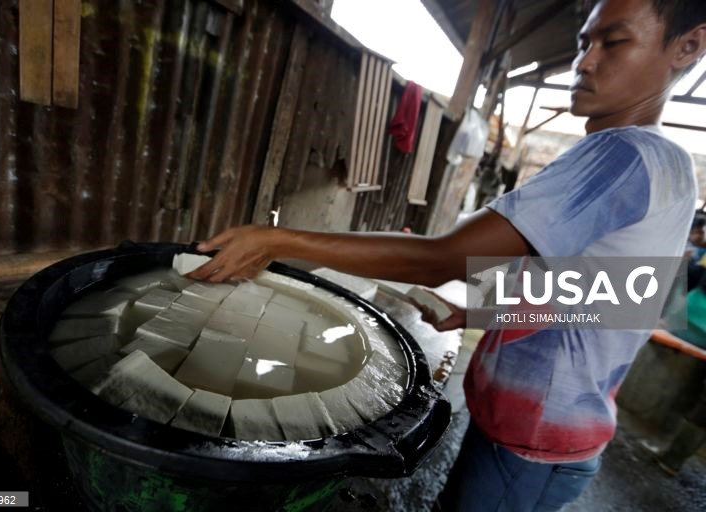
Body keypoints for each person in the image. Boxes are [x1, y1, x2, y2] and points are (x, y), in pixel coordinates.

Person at [188, 0, 706, 510]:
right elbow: (629, 293)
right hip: (563, 432)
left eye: (613, 41)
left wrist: (278, 241)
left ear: (688, 46)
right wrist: (481, 309)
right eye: (583, 42)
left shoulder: (619, 154)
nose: (585, 61)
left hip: (532, 439)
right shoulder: (671, 165)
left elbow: (443, 258)